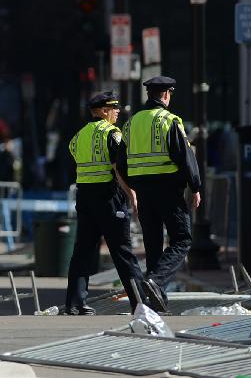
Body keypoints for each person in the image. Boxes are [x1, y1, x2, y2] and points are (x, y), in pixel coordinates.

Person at [64, 91, 156, 315]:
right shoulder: (112, 134)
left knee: (83, 250)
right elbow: (118, 169)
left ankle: (75, 303)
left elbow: (76, 159)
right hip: (108, 197)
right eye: (114, 109)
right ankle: (140, 303)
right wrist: (131, 193)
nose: (117, 113)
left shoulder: (78, 137)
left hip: (84, 196)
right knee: (122, 250)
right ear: (104, 111)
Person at [121, 76, 202, 311]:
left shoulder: (132, 123)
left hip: (144, 191)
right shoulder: (169, 120)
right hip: (168, 189)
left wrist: (133, 185)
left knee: (153, 243)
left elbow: (121, 162)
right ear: (166, 94)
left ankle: (154, 300)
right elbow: (185, 157)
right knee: (182, 239)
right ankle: (156, 282)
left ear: (149, 94)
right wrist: (194, 186)